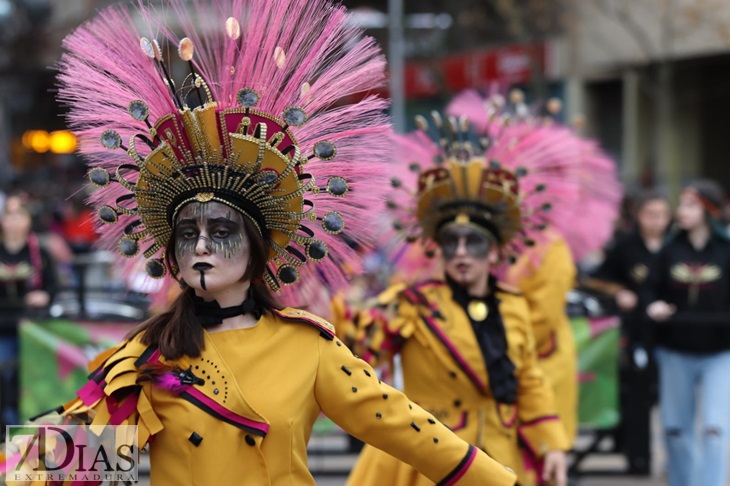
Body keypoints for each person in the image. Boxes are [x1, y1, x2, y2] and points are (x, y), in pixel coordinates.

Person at [0, 1, 520, 484]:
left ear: (256, 249)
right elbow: (62, 459)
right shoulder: (149, 356)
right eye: (187, 234)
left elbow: (408, 431)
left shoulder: (308, 347)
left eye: (221, 232)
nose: (201, 245)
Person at [340, 119, 570, 486]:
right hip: (433, 461)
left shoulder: (513, 305)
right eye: (451, 242)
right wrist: (338, 304)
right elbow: (355, 351)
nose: (462, 252)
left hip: (501, 456)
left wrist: (552, 444)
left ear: (494, 253)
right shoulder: (411, 304)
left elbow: (528, 380)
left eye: (474, 242)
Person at [644, 180, 730, 486]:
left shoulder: (726, 250)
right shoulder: (669, 250)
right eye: (681, 204)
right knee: (675, 429)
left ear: (709, 210)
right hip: (675, 349)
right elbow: (650, 290)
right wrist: (653, 305)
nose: (682, 212)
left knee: (715, 430)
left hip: (720, 352)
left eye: (691, 205)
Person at [0, 193, 57, 428]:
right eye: (9, 215)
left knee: (31, 380)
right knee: (5, 376)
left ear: (29, 220)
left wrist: (44, 295)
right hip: (2, 327)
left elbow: (52, 286)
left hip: (32, 328)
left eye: (19, 215)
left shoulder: (40, 254)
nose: (14, 220)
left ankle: (27, 428)